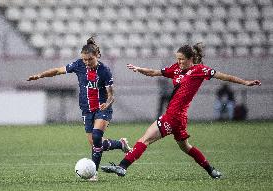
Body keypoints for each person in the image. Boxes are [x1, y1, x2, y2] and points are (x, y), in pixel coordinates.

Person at [101, 43, 261, 179]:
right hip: (179, 117)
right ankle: (211, 171)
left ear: (191, 59)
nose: (179, 62)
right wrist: (139, 68)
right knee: (186, 147)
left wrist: (245, 82)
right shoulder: (176, 69)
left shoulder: (200, 70)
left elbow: (224, 76)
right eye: (177, 59)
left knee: (145, 139)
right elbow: (155, 72)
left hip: (173, 116)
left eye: (182, 59)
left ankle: (122, 166)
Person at [27, 37, 132, 181]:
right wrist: (40, 75)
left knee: (96, 137)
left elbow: (111, 96)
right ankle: (120, 144)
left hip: (103, 108)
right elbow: (58, 70)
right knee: (96, 144)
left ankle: (93, 173)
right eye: (84, 60)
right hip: (86, 110)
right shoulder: (78, 65)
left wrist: (107, 104)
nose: (87, 63)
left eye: (90, 59)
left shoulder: (105, 71)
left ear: (97, 56)